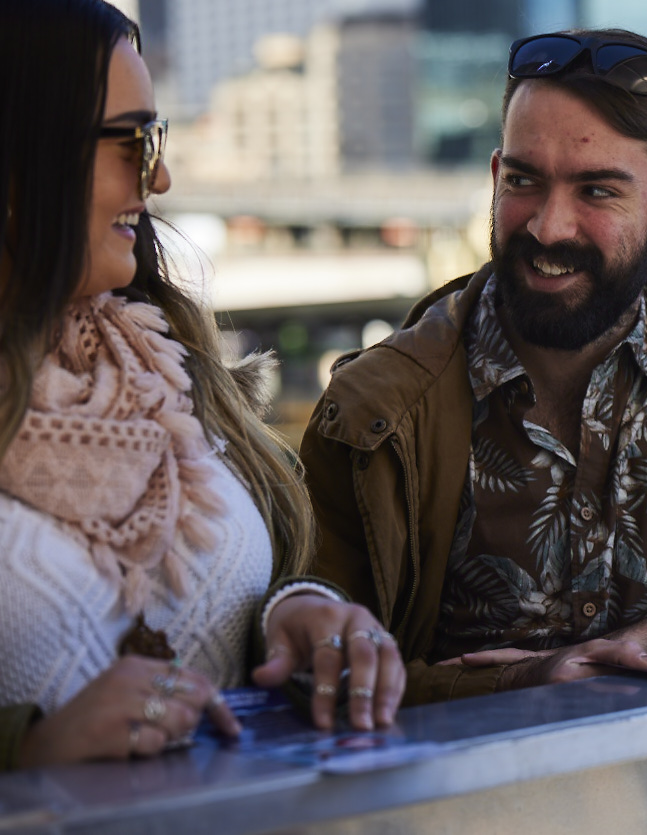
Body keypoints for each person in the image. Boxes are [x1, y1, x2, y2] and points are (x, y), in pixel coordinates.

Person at [300, 28, 647, 703]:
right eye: (523, 181)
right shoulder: (373, 412)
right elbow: (313, 662)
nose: (547, 226)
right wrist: (523, 682)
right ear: (493, 177)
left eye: (596, 191)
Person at [0, 0, 405, 769]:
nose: (161, 174)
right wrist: (28, 750)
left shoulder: (164, 358)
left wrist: (298, 610)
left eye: (158, 138)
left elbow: (255, 580)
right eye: (133, 140)